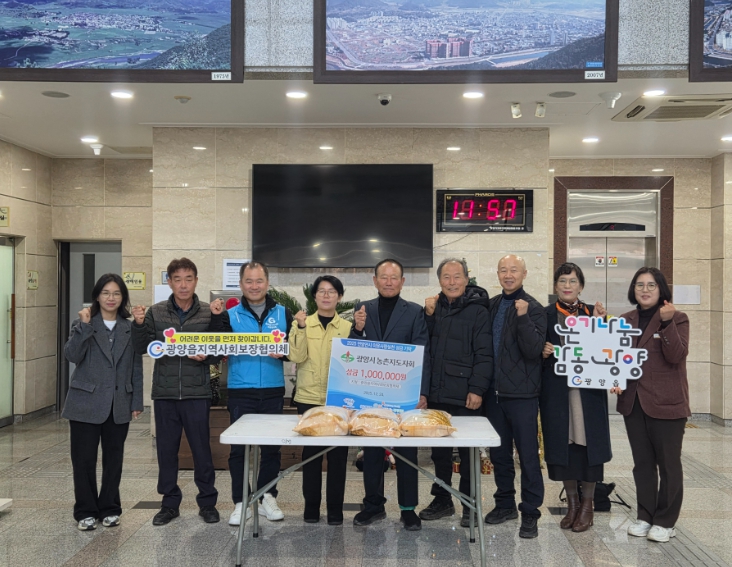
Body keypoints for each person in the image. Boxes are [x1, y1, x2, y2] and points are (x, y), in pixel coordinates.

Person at [131, 257, 225, 526]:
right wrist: (138, 324)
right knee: (166, 450)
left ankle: (207, 503)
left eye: (188, 279)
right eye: (178, 279)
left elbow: (219, 350)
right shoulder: (156, 312)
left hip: (197, 393)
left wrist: (206, 357)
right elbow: (142, 347)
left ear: (196, 281)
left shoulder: (208, 312)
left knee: (201, 450)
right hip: (165, 392)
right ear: (169, 282)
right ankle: (169, 504)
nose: (183, 285)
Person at [350, 258, 431, 531]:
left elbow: (423, 353)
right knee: (372, 452)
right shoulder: (362, 309)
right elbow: (354, 351)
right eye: (383, 277)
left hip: (404, 395)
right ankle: (373, 505)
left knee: (407, 452)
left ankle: (408, 509)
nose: (388, 282)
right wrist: (357, 328)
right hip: (370, 394)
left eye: (394, 277)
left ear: (402, 281)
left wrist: (422, 392)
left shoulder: (415, 312)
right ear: (375, 281)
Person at [611, 267, 690, 543]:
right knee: (642, 464)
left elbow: (676, 355)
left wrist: (666, 324)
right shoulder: (625, 320)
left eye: (651, 285)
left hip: (668, 403)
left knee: (669, 465)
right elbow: (617, 358)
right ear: (633, 289)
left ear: (661, 290)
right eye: (640, 285)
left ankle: (666, 521)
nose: (645, 290)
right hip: (633, 402)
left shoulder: (677, 318)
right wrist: (615, 379)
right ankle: (645, 516)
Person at [215, 261, 293, 526]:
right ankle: (241, 501)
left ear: (267, 283)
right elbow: (218, 347)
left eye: (259, 281)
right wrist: (215, 320)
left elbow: (294, 349)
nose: (254, 286)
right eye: (249, 281)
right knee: (239, 449)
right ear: (241, 284)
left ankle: (267, 496)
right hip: (241, 389)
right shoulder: (230, 315)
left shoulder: (283, 313)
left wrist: (285, 353)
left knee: (271, 448)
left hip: (272, 389)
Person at [63, 273, 143, 531]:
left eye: (116, 293)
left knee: (114, 460)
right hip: (84, 402)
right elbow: (72, 355)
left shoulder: (129, 328)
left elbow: (136, 367)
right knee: (83, 460)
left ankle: (110, 508)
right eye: (106, 293)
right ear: (97, 296)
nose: (111, 298)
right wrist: (84, 327)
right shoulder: (83, 323)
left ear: (123, 298)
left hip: (118, 403)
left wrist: (136, 401)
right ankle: (85, 511)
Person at [418, 258, 492, 527]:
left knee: (468, 453)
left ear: (466, 280)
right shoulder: (432, 307)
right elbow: (423, 348)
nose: (452, 282)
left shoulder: (478, 311)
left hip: (465, 395)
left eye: (457, 276)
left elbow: (485, 353)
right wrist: (428, 317)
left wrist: (477, 389)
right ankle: (442, 500)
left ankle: (470, 504)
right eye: (446, 277)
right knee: (440, 454)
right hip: (437, 394)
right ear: (439, 280)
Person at [539, 262, 612, 533]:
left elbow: (609, 351)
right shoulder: (545, 314)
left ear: (581, 286)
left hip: (588, 393)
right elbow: (532, 348)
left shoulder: (594, 313)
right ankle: (572, 505)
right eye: (562, 281)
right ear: (555, 286)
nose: (567, 286)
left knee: (589, 445)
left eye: (572, 281)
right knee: (563, 448)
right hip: (558, 392)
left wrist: (602, 324)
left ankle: (588, 506)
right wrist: (542, 350)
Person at [484, 254, 547, 538]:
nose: (508, 275)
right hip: (493, 394)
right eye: (503, 270)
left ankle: (530, 512)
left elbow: (534, 350)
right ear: (498, 274)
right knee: (499, 455)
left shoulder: (533, 308)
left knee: (528, 456)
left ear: (524, 274)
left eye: (514, 270)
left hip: (522, 395)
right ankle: (505, 504)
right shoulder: (492, 305)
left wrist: (522, 317)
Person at [288, 275, 352, 525]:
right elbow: (296, 356)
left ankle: (335, 510)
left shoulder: (347, 327)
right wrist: (301, 327)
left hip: (338, 399)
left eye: (332, 291)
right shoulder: (302, 323)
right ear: (314, 296)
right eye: (321, 291)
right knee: (312, 456)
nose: (326, 295)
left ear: (340, 296)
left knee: (338, 457)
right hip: (309, 398)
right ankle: (311, 508)